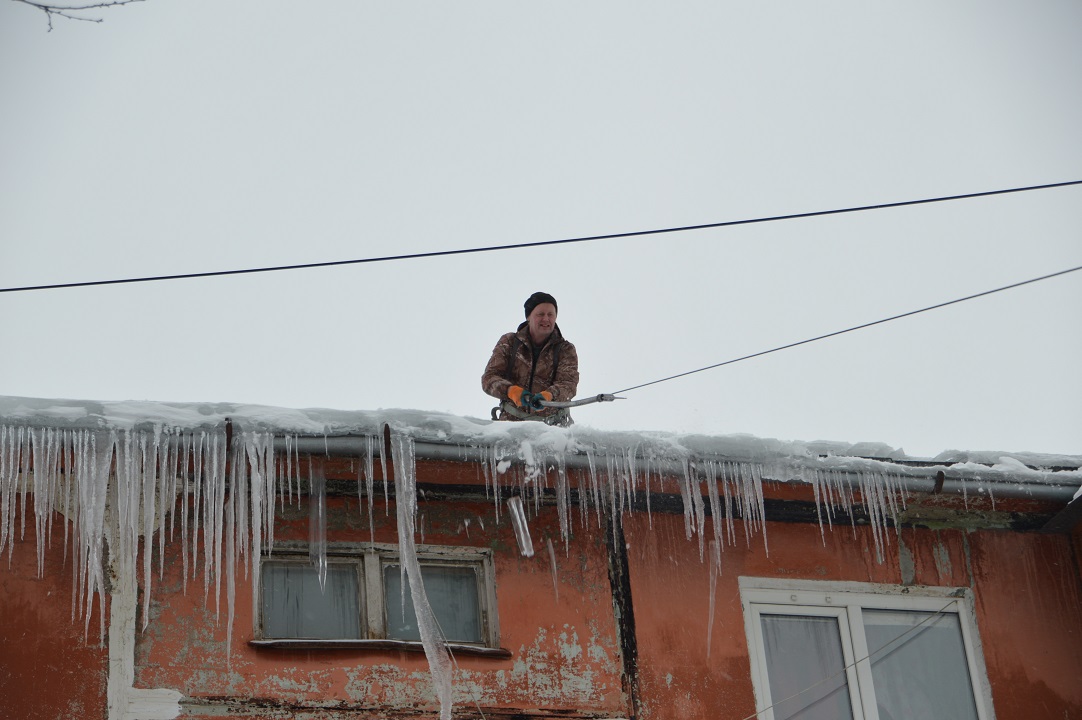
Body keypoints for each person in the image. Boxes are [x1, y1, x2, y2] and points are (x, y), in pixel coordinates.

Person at [482, 291, 579, 426]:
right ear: (528, 316)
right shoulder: (509, 342)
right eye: (540, 314)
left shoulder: (566, 349)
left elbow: (568, 385)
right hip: (510, 427)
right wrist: (511, 391)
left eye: (550, 314)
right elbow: (489, 378)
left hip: (552, 430)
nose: (546, 319)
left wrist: (549, 395)